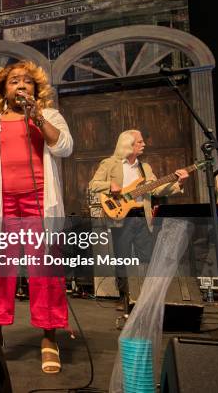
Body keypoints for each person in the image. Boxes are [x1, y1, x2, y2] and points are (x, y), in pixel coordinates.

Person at [0, 60, 73, 374]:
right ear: (3, 90)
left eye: (27, 82)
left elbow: (64, 147)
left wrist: (37, 117)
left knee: (45, 274)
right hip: (3, 208)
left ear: (35, 89)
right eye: (14, 81)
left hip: (40, 208)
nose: (21, 85)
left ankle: (49, 339)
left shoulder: (49, 115)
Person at [88, 130, 189, 310]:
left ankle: (147, 295)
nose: (144, 144)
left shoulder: (146, 168)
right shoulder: (110, 164)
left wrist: (178, 183)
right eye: (140, 142)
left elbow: (157, 190)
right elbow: (93, 185)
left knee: (148, 257)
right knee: (122, 258)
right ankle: (124, 297)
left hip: (142, 217)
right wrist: (110, 186)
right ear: (128, 145)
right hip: (122, 217)